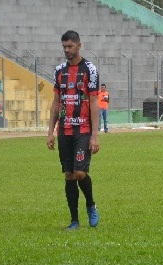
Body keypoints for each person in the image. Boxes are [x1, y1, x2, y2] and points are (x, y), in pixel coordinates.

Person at [46, 30, 100, 230]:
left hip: (83, 129)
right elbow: (55, 102)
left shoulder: (90, 70)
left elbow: (94, 101)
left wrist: (95, 135)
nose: (66, 50)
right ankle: (74, 220)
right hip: (64, 129)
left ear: (79, 45)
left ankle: (91, 205)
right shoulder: (59, 70)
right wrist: (50, 131)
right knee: (68, 175)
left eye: (70, 46)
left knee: (79, 173)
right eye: (64, 47)